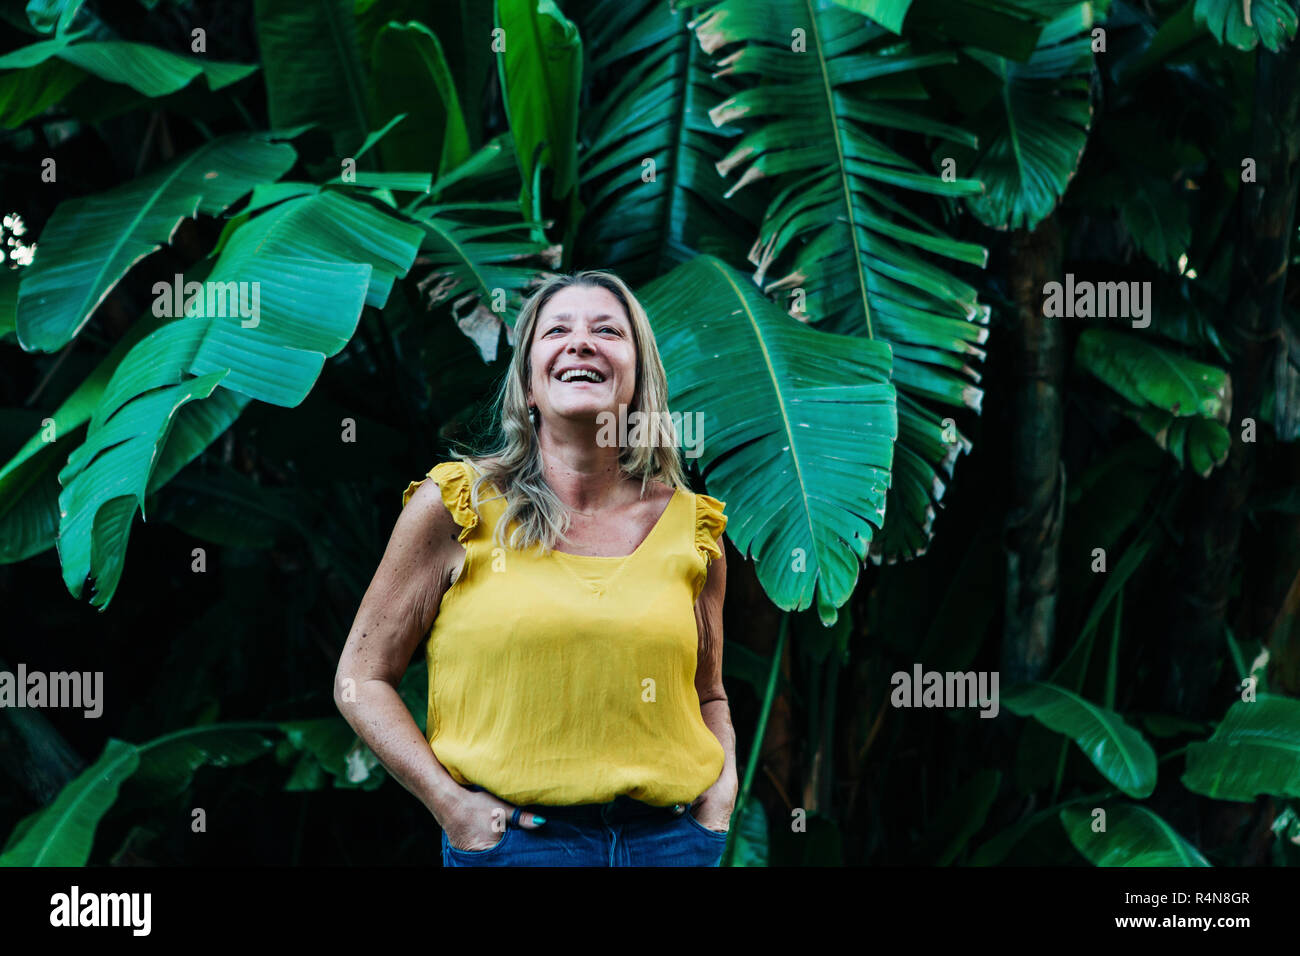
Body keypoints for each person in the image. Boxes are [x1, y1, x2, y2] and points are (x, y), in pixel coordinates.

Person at [334, 270, 738, 866]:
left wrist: (721, 796)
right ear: (527, 382)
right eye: (557, 330)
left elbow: (710, 694)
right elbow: (361, 680)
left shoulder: (692, 526)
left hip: (671, 845)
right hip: (518, 847)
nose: (581, 342)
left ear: (638, 379)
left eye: (607, 330)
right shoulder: (455, 506)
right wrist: (451, 806)